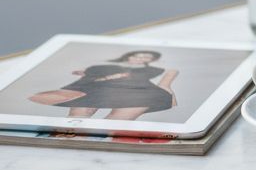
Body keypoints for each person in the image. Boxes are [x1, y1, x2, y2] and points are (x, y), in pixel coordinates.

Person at [34, 50, 180, 122]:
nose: (141, 58)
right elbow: (87, 76)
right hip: (94, 88)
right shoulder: (102, 65)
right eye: (137, 55)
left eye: (147, 57)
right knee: (77, 118)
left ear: (152, 60)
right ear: (129, 56)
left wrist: (166, 86)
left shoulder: (156, 69)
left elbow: (170, 72)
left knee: (118, 121)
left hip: (136, 91)